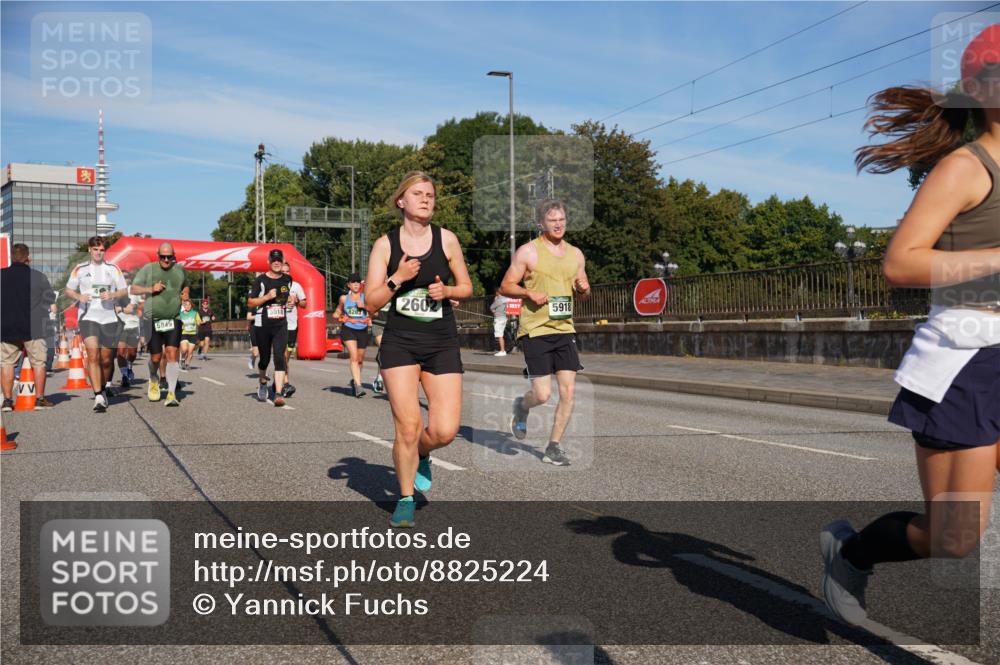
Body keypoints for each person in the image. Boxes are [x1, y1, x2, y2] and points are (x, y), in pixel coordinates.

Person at [820, 24, 1000, 626]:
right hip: (968, 361)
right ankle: (852, 552)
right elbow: (901, 263)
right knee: (952, 540)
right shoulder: (965, 168)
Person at [364, 171, 473, 527]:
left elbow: (467, 287)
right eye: (418, 193)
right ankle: (406, 497)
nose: (426, 199)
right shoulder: (385, 245)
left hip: (441, 342)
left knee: (444, 430)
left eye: (430, 194)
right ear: (401, 202)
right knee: (408, 426)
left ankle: (424, 453)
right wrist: (398, 277)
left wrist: (449, 293)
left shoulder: (447, 240)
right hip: (401, 344)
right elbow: (370, 302)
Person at [500, 199, 590, 467]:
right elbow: (505, 285)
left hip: (565, 329)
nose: (558, 224)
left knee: (569, 392)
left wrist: (584, 289)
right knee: (542, 395)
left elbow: (584, 293)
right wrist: (528, 292)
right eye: (552, 220)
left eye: (561, 219)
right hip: (536, 330)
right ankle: (522, 406)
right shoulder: (528, 252)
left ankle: (553, 446)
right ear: (541, 223)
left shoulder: (576, 255)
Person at [64, 236, 129, 412]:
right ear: (89, 250)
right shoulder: (80, 269)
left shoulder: (113, 269)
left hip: (108, 318)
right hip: (88, 317)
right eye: (95, 249)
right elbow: (68, 289)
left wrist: (113, 296)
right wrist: (79, 297)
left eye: (101, 250)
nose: (99, 253)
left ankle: (105, 385)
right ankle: (99, 395)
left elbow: (124, 289)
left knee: (106, 359)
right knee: (93, 355)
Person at [131, 242, 190, 406]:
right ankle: (154, 378)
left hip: (174, 318)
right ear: (157, 255)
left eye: (169, 257)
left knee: (172, 355)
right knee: (156, 357)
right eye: (162, 256)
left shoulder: (180, 270)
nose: (165, 259)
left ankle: (171, 393)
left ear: (173, 256)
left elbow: (186, 285)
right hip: (152, 319)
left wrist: (185, 293)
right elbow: (133, 289)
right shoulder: (148, 269)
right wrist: (151, 288)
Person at [1, 243, 56, 411]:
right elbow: (49, 300)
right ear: (28, 258)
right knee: (38, 363)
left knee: (7, 363)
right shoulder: (38, 276)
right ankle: (39, 399)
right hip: (34, 327)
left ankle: (8, 401)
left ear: (12, 257)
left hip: (7, 326)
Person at [247, 249, 294, 407]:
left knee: (280, 357)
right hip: (263, 324)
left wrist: (290, 302)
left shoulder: (288, 279)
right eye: (274, 260)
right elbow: (250, 302)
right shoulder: (261, 280)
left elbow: (286, 298)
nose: (276, 262)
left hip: (280, 324)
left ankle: (279, 394)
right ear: (269, 261)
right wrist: (267, 297)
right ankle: (262, 382)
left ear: (282, 261)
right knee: (265, 358)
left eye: (279, 260)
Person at [333, 273, 371, 398]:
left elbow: (374, 312)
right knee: (354, 357)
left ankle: (355, 381)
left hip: (362, 330)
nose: (355, 284)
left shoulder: (365, 298)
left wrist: (364, 307)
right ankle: (359, 386)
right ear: (348, 285)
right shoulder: (344, 298)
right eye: (353, 282)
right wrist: (339, 316)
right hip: (348, 330)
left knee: (360, 359)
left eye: (357, 282)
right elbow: (338, 311)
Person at [280, 262, 307, 398]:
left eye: (287, 271)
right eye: (282, 271)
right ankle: (285, 383)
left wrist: (296, 301)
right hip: (278, 325)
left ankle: (279, 379)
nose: (285, 273)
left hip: (292, 326)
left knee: (287, 357)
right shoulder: (274, 285)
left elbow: (304, 304)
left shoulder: (296, 286)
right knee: (283, 355)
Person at [116, 277, 143, 388]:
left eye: (127, 278)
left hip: (133, 324)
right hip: (120, 324)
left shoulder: (135, 292)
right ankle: (124, 376)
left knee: (132, 353)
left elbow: (141, 305)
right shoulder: (115, 292)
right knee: (121, 351)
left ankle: (129, 367)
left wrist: (136, 306)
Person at [370, 300, 390, 394]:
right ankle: (380, 379)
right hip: (378, 324)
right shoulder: (380, 288)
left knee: (385, 353)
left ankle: (379, 376)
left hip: (392, 326)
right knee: (384, 349)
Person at [178, 299, 201, 370]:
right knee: (184, 349)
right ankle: (182, 359)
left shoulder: (195, 313)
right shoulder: (180, 314)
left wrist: (199, 323)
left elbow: (198, 321)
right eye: (186, 305)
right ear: (184, 306)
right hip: (184, 333)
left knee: (190, 351)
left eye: (189, 305)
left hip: (193, 334)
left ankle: (187, 364)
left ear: (191, 306)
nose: (187, 306)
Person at [490, 291, 510, 356]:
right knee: (501, 334)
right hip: (504, 318)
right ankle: (502, 350)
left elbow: (491, 307)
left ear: (498, 293)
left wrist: (495, 300)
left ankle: (502, 351)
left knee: (499, 335)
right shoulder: (506, 299)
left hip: (499, 318)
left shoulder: (499, 300)